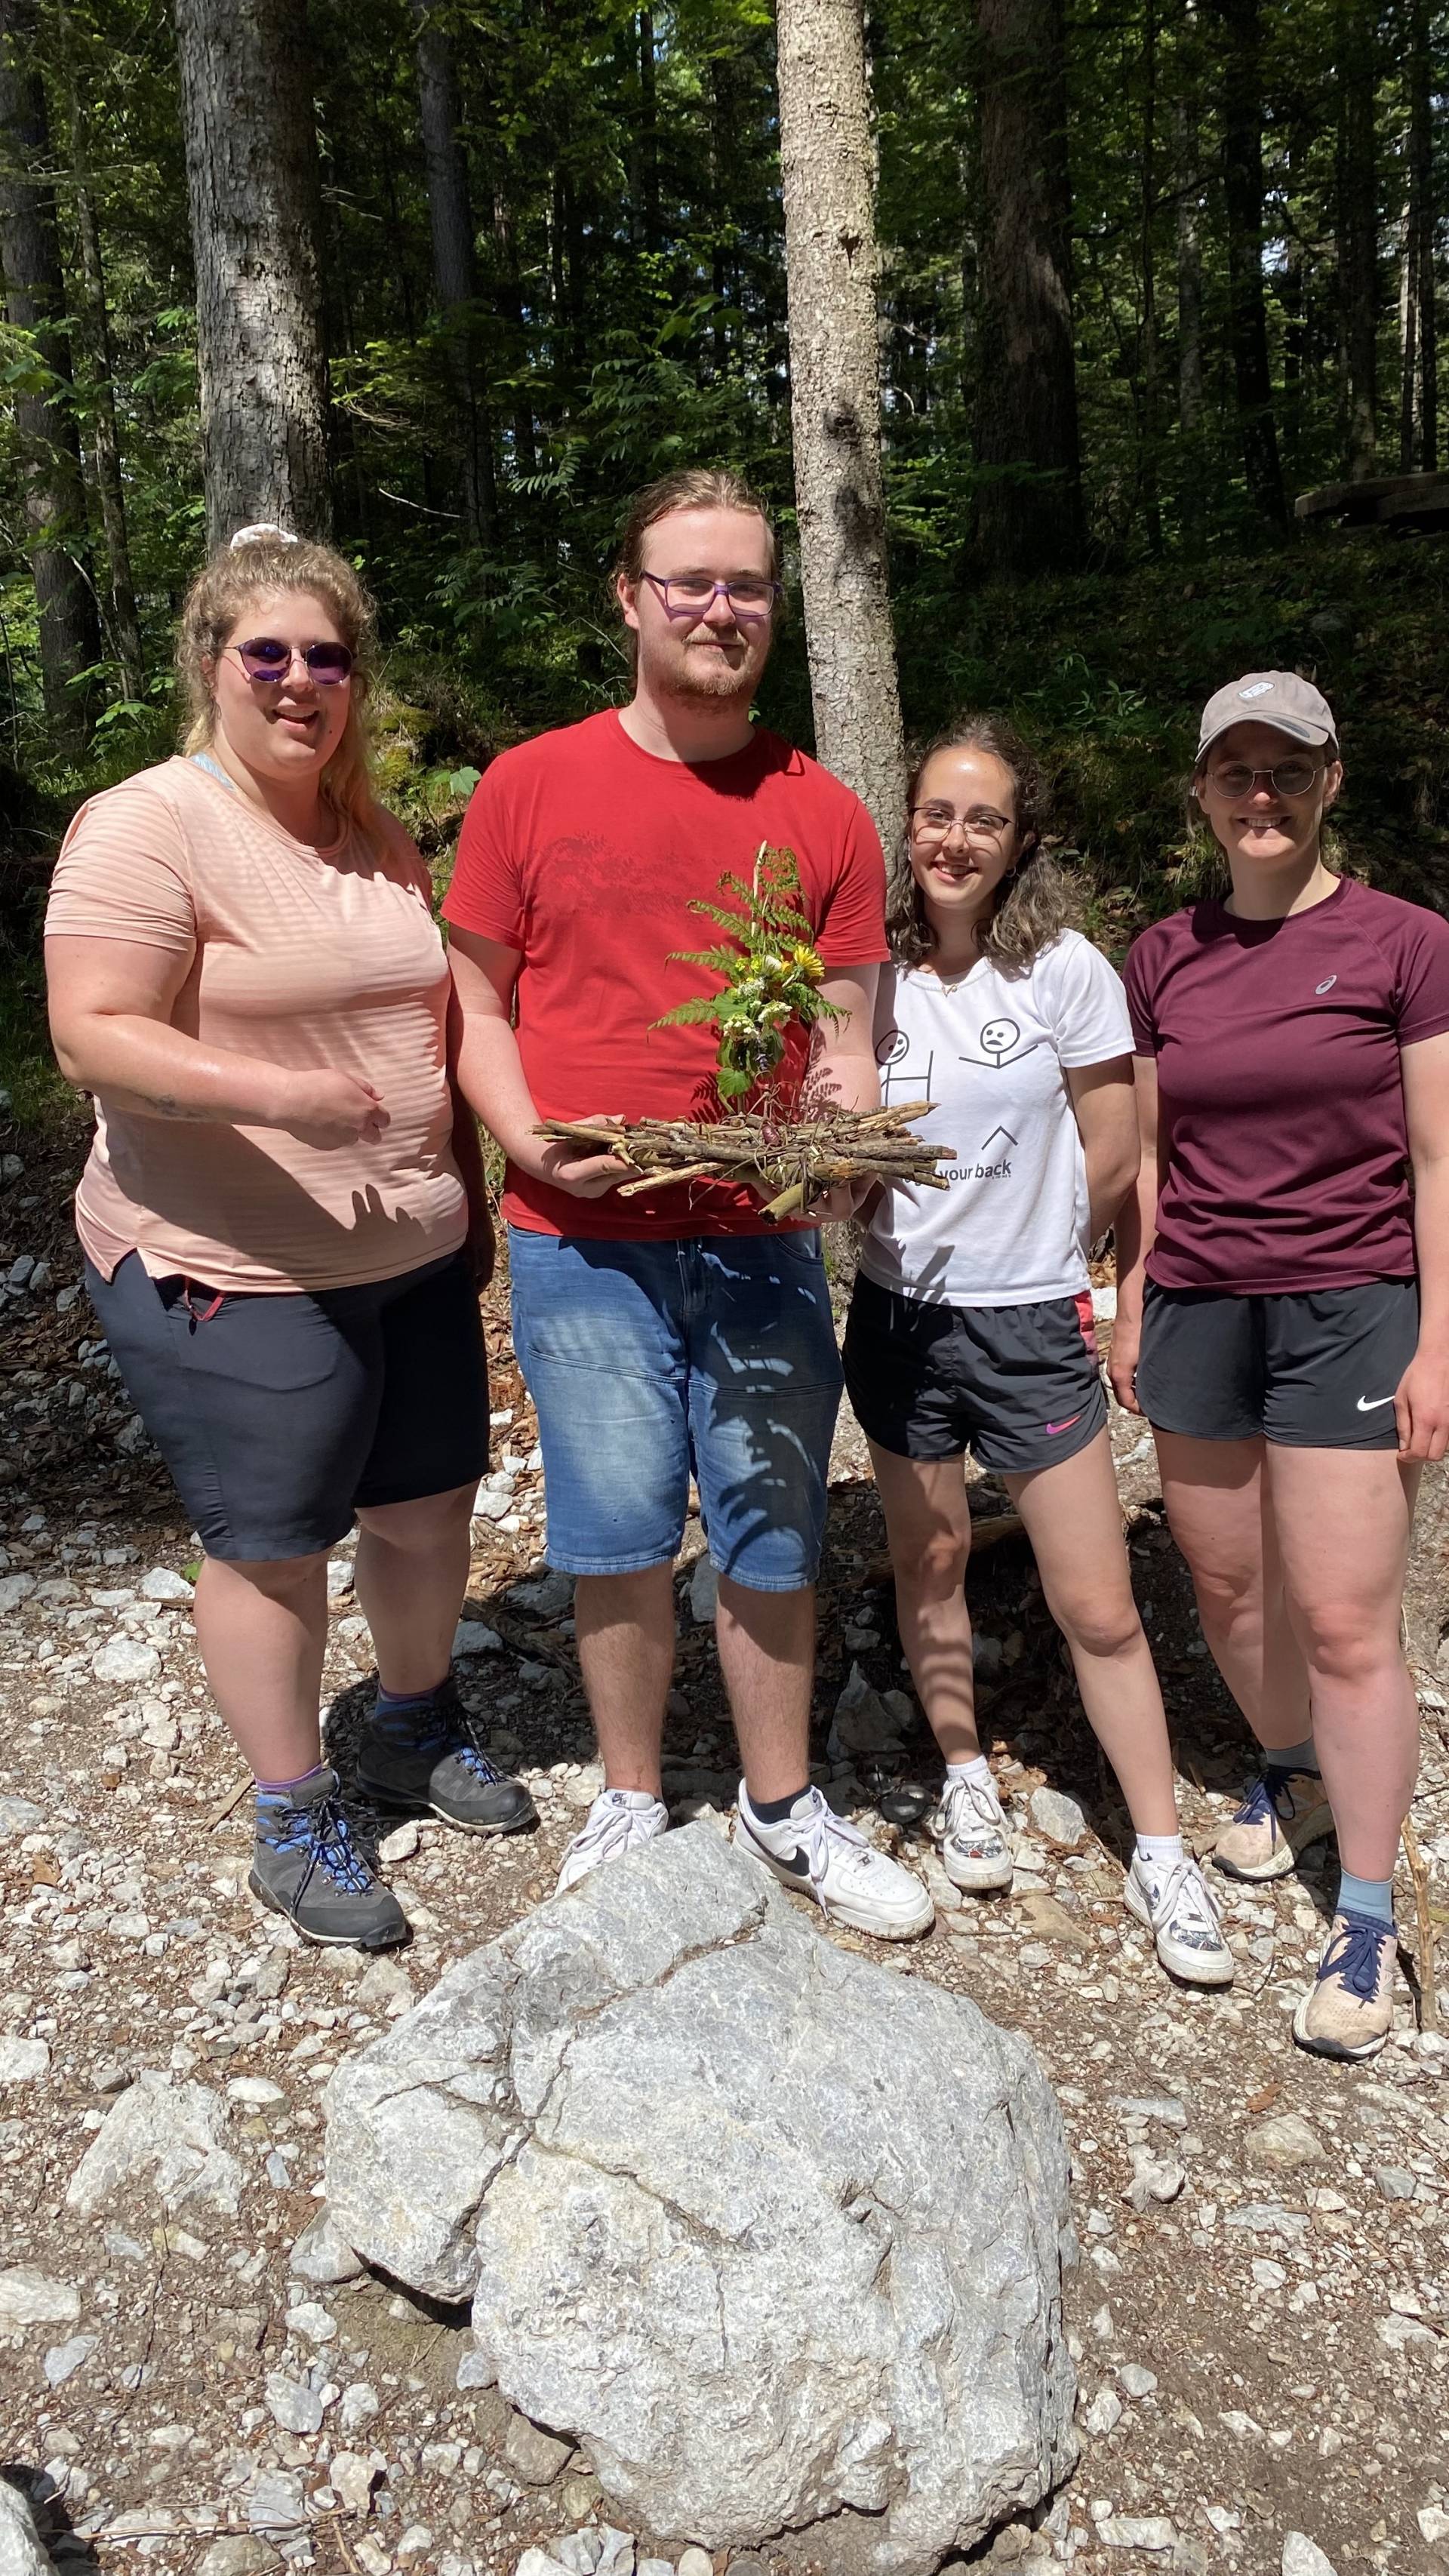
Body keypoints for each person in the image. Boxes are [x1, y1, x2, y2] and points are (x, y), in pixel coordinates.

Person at [444, 466, 933, 1938]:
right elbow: (471, 1000)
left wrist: (842, 1145)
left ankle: (781, 1804)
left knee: (774, 1519)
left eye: (748, 586)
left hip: (759, 1228)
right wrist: (525, 1137)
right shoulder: (532, 784)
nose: (722, 610)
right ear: (631, 598)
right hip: (581, 1231)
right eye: (692, 582)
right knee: (611, 1521)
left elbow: (847, 1038)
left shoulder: (822, 812)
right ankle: (632, 1795)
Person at [44, 525, 534, 1952]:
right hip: (229, 1265)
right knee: (271, 1545)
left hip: (410, 1253)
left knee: (431, 1499)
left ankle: (407, 1720)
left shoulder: (376, 833)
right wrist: (277, 1094)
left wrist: (466, 1193)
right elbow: (93, 1033)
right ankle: (291, 1808)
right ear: (213, 665)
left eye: (329, 656)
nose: (302, 680)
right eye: (270, 652)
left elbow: (425, 1025)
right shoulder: (148, 823)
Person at [841, 716, 1232, 1986]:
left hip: (1028, 1320)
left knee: (1097, 1600)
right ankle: (963, 1774)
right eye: (937, 815)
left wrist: (1068, 1270)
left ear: (1020, 843)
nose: (955, 841)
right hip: (900, 1315)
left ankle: (1160, 1843)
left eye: (984, 820)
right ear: (908, 826)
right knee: (932, 1553)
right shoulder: (869, 973)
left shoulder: (1065, 969)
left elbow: (1113, 1149)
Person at [1112, 671, 1449, 2059]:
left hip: (1353, 1304)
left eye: (1287, 771)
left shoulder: (1405, 941)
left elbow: (1440, 1157)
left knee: (1350, 1619)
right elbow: (1145, 1155)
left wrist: (1442, 1333)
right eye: (1236, 771)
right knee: (1230, 1582)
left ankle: (1367, 1917)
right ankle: (1293, 1769)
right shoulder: (1160, 954)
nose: (1262, 795)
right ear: (1201, 790)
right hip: (1196, 1302)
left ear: (1330, 785)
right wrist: (1131, 1299)